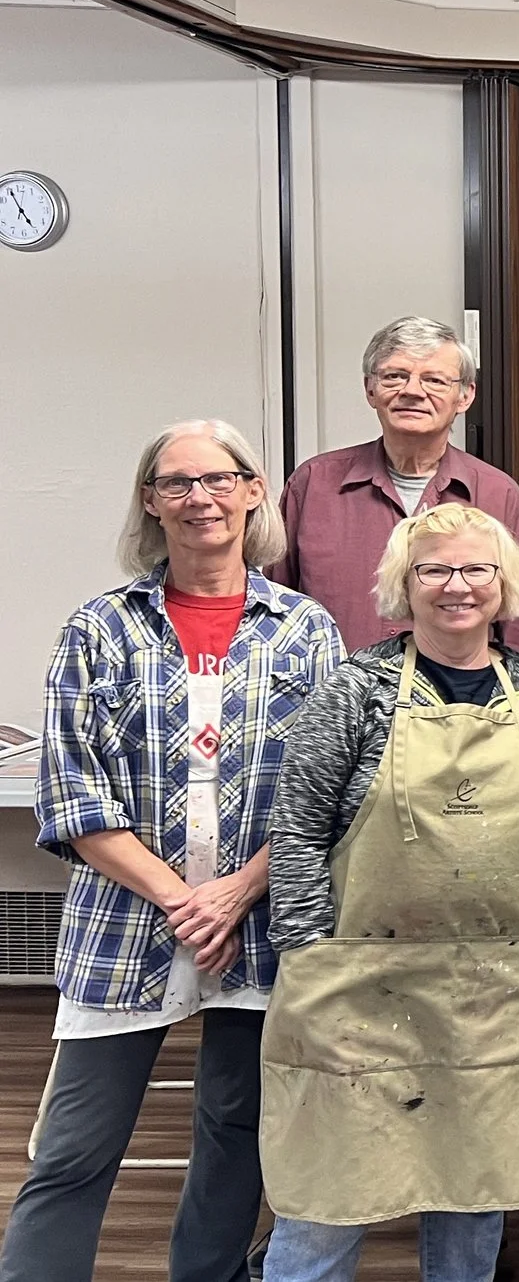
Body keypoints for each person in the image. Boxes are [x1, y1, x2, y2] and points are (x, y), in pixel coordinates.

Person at [2, 421, 342, 1282]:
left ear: (253, 491)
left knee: (236, 1130)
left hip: (260, 928)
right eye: (177, 482)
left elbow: (329, 791)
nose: (201, 499)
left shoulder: (305, 630)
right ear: (151, 502)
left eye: (219, 479)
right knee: (75, 1146)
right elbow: (72, 792)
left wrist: (237, 892)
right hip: (123, 928)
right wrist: (185, 899)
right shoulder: (99, 628)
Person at [257, 505, 519, 1281]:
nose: (456, 586)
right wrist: (306, 948)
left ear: (504, 583)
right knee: (329, 1187)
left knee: (475, 1184)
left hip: (502, 985)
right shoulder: (357, 688)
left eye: (476, 568)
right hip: (361, 986)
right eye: (434, 569)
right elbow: (298, 825)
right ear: (404, 585)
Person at [269, 316, 519, 654]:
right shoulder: (314, 485)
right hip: (335, 687)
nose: (412, 391)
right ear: (370, 389)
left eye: (434, 380)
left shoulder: (497, 494)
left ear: (465, 396)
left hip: (458, 689)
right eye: (394, 376)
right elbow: (275, 612)